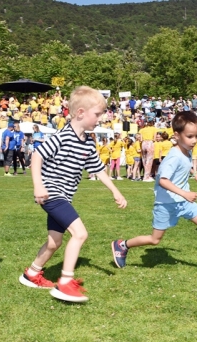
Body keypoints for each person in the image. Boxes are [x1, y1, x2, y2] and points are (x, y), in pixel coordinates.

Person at [20, 86, 127, 303]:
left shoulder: (87, 142)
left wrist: (116, 191)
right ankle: (65, 283)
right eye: (97, 115)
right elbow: (36, 158)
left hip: (64, 197)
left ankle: (31, 273)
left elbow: (97, 169)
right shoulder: (61, 137)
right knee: (80, 234)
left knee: (54, 242)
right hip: (52, 194)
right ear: (80, 113)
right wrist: (38, 186)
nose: (100, 119)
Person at [111, 111, 197, 273]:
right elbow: (163, 180)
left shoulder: (187, 151)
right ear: (177, 135)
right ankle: (121, 245)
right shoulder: (173, 157)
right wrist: (184, 193)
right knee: (155, 240)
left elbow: (185, 164)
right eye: (190, 136)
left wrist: (194, 173)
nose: (194, 140)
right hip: (167, 203)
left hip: (184, 203)